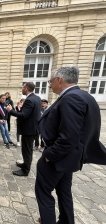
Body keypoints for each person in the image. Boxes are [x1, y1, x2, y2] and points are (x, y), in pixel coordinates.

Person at [35, 67, 106, 224]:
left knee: (43, 192)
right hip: (70, 158)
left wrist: (49, 155)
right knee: (64, 191)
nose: (49, 85)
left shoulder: (71, 98)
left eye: (50, 81)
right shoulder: (85, 96)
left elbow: (69, 137)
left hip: (58, 157)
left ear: (59, 80)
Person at [6, 82, 41, 176]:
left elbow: (24, 115)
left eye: (23, 87)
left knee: (27, 150)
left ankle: (25, 170)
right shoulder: (36, 98)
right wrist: (18, 108)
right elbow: (28, 113)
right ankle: (26, 164)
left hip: (29, 130)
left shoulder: (29, 100)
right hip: (33, 128)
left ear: (26, 88)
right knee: (27, 149)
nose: (21, 88)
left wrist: (10, 111)